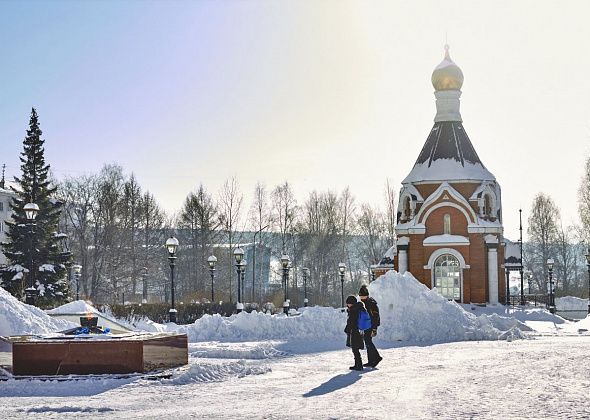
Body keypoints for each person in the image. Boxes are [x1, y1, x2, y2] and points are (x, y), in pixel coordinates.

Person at [358, 285, 383, 368]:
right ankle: (371, 360)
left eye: (363, 296)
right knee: (367, 341)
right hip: (367, 325)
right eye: (360, 296)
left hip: (371, 325)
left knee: (368, 341)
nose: (362, 297)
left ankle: (376, 358)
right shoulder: (364, 302)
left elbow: (376, 316)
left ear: (367, 295)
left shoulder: (371, 303)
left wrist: (374, 328)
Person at [344, 295, 366, 371]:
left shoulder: (354, 310)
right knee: (355, 348)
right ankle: (358, 364)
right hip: (358, 331)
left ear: (352, 303)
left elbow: (351, 322)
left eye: (348, 303)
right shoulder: (357, 308)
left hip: (355, 331)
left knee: (355, 349)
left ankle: (359, 365)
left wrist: (347, 329)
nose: (347, 305)